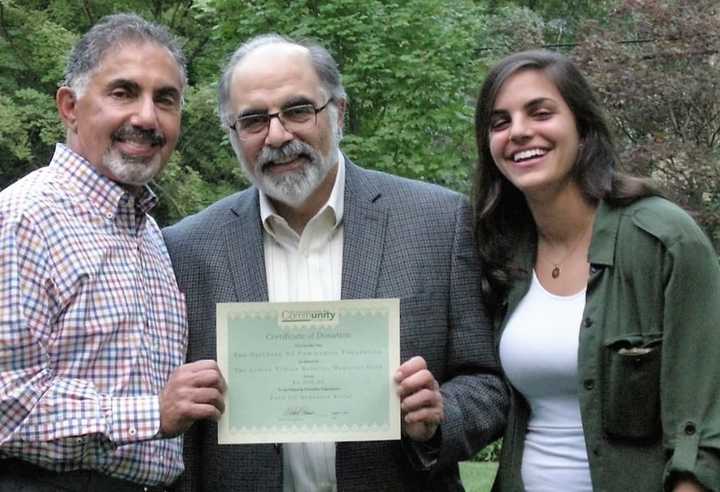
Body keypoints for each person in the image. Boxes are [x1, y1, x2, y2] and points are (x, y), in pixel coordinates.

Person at [163, 33, 507, 491]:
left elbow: (488, 382)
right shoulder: (185, 248)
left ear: (338, 111)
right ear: (232, 133)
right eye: (252, 120)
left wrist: (439, 414)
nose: (278, 135)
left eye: (298, 110)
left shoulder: (438, 222)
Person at [472, 49, 719, 492]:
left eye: (540, 112)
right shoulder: (501, 252)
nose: (520, 132)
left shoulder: (664, 239)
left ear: (583, 128)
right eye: (500, 122)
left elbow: (704, 423)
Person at [0, 13, 225, 492]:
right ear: (70, 106)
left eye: (165, 99)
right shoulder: (23, 219)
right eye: (123, 92)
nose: (146, 117)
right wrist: (152, 412)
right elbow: (7, 402)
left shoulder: (151, 239)